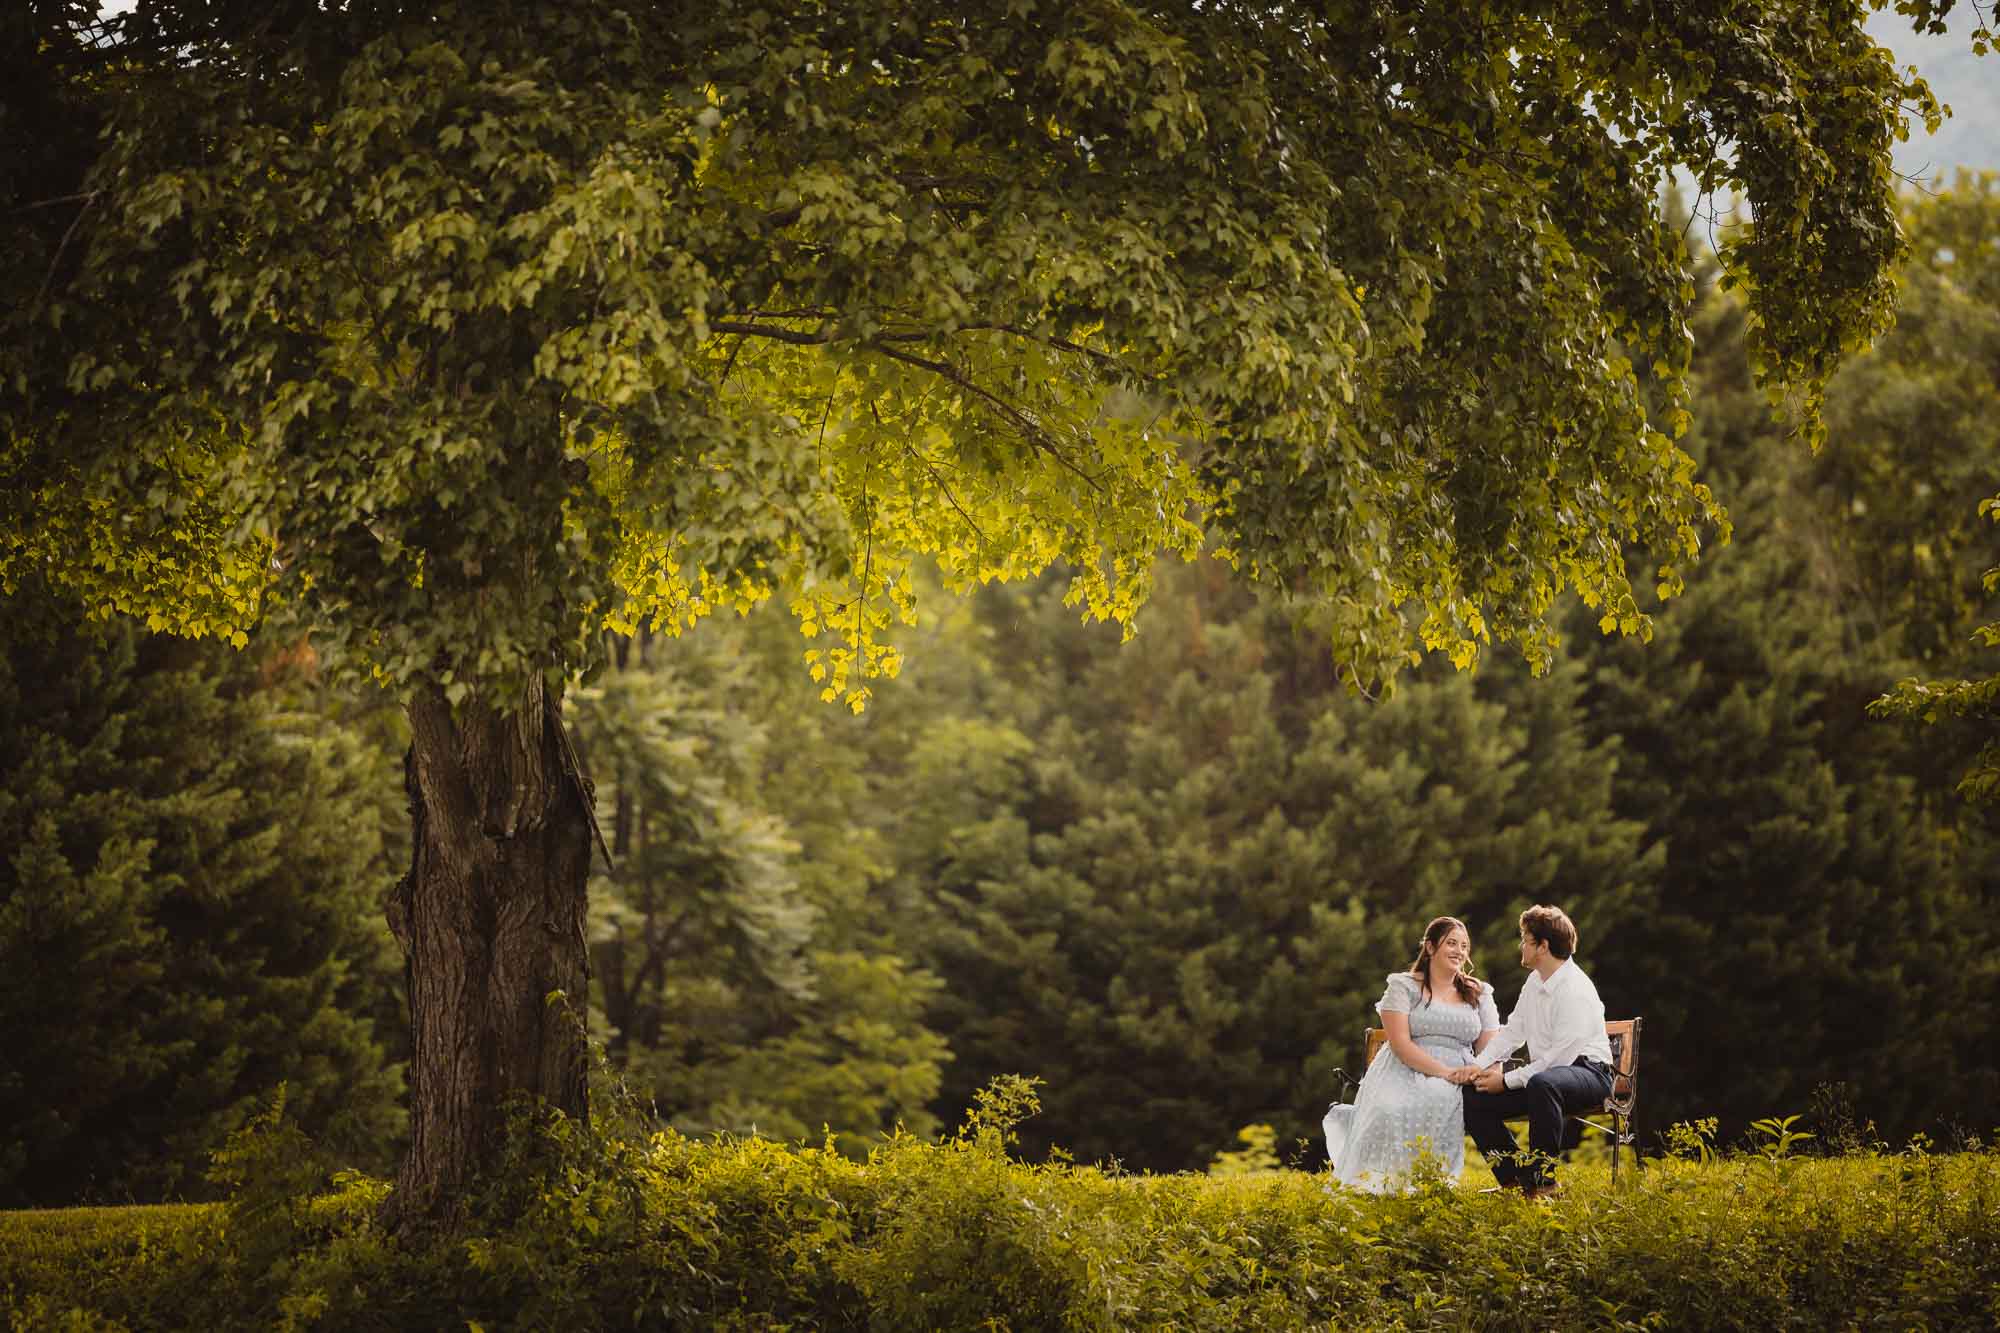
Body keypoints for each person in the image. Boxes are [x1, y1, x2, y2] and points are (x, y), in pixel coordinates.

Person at [1322, 916, 1499, 1192]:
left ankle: (1429, 1183)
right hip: (1406, 1068)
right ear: (1430, 947)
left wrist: (1475, 1069)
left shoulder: (1479, 992)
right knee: (1391, 1107)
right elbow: (1401, 1045)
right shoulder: (1403, 987)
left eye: (1464, 946)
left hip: (1464, 1071)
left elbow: (1491, 1045)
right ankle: (1380, 1183)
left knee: (1442, 1096)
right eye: (1451, 943)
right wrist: (1445, 1073)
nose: (1459, 951)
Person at [1453, 904, 1614, 1201]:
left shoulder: (1575, 988)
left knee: (1544, 1083)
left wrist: (1505, 1081)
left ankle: (1543, 1183)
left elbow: (1559, 1059)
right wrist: (1477, 1066)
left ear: (1543, 946)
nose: (1520, 946)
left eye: (1525, 939)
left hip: (1590, 1074)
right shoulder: (1534, 982)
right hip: (1548, 1079)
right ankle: (1515, 1179)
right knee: (1473, 1096)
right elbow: (1512, 1032)